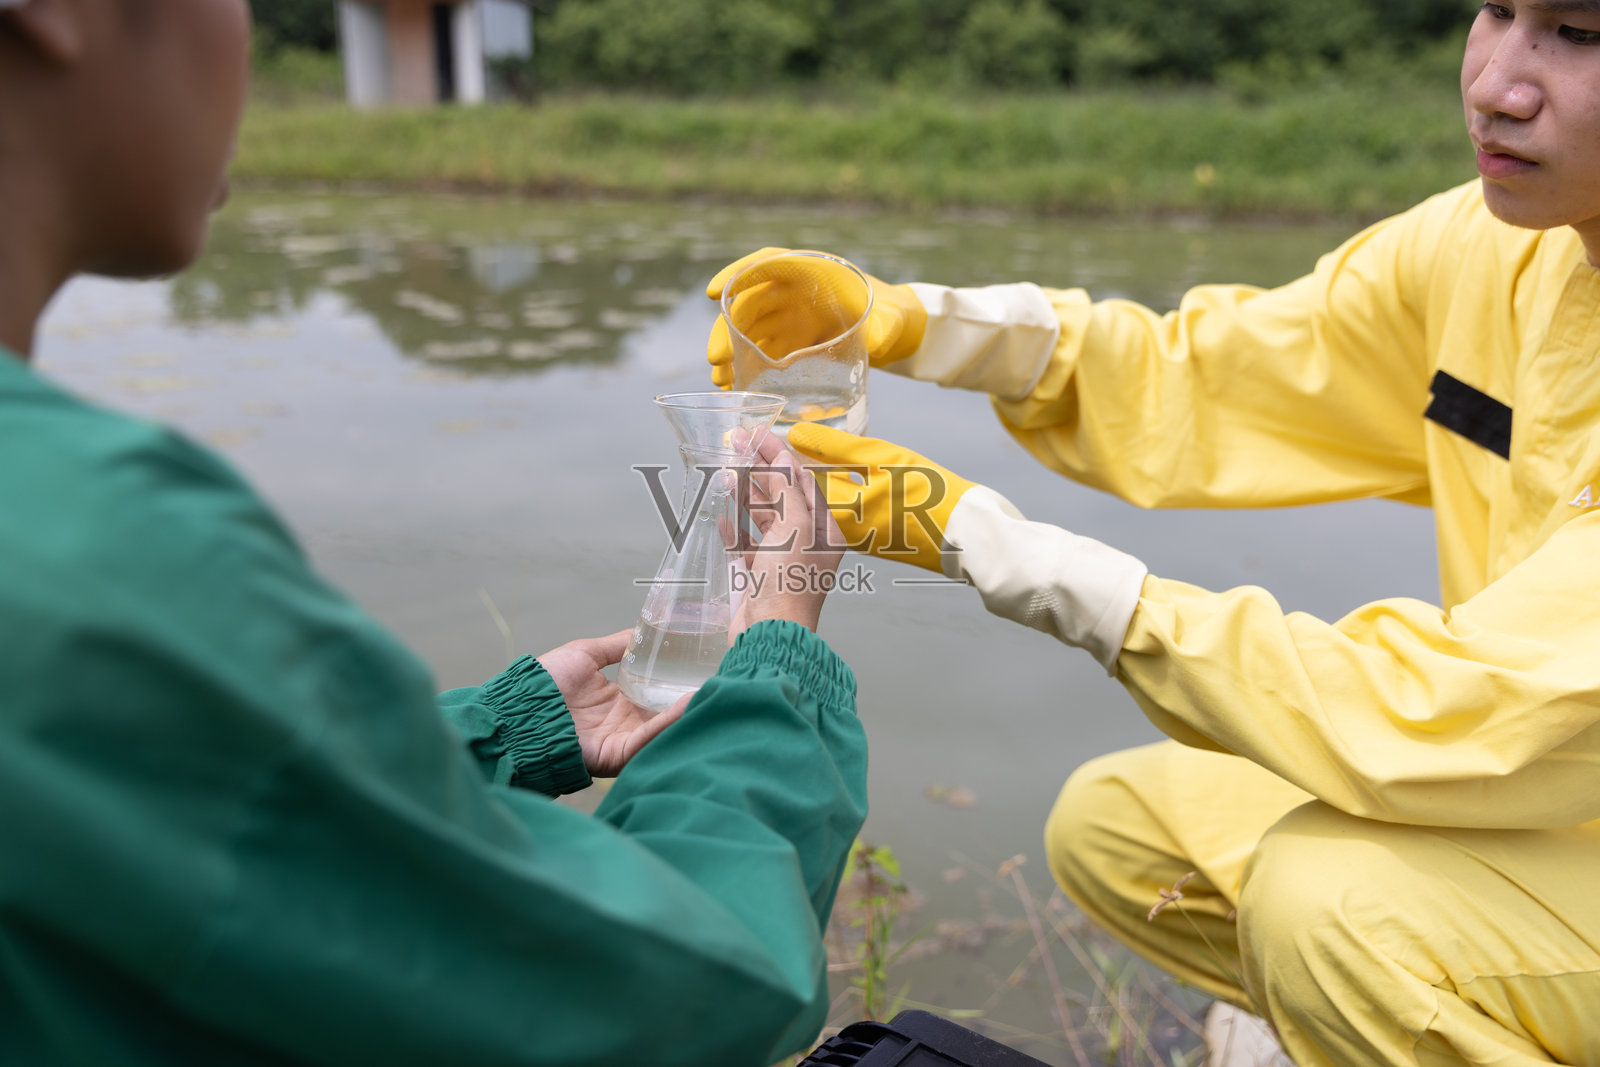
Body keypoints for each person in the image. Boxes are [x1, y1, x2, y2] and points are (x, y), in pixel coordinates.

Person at [704, 2, 1600, 1063]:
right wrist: (920, 321)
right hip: (1535, 780)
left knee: (1327, 907)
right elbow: (1216, 371)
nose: (1497, 81)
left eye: (1578, 34)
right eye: (1495, 9)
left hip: (1527, 751)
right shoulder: (1490, 249)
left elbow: (1449, 709)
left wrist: (985, 541)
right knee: (1121, 822)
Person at [0, 2, 864, 1064]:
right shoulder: (94, 547)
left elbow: (184, 828)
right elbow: (669, 993)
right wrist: (777, 656)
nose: (250, 35)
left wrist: (500, 734)